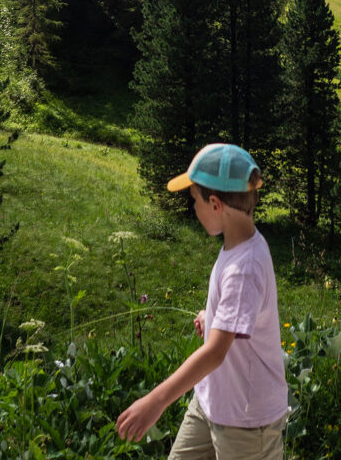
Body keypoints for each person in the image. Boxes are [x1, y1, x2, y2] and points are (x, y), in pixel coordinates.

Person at [116, 143, 288, 459]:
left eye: (194, 200)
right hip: (212, 401)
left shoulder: (243, 268)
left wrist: (155, 402)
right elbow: (238, 313)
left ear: (214, 204)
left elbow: (214, 354)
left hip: (248, 421)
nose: (193, 209)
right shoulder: (240, 244)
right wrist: (214, 319)